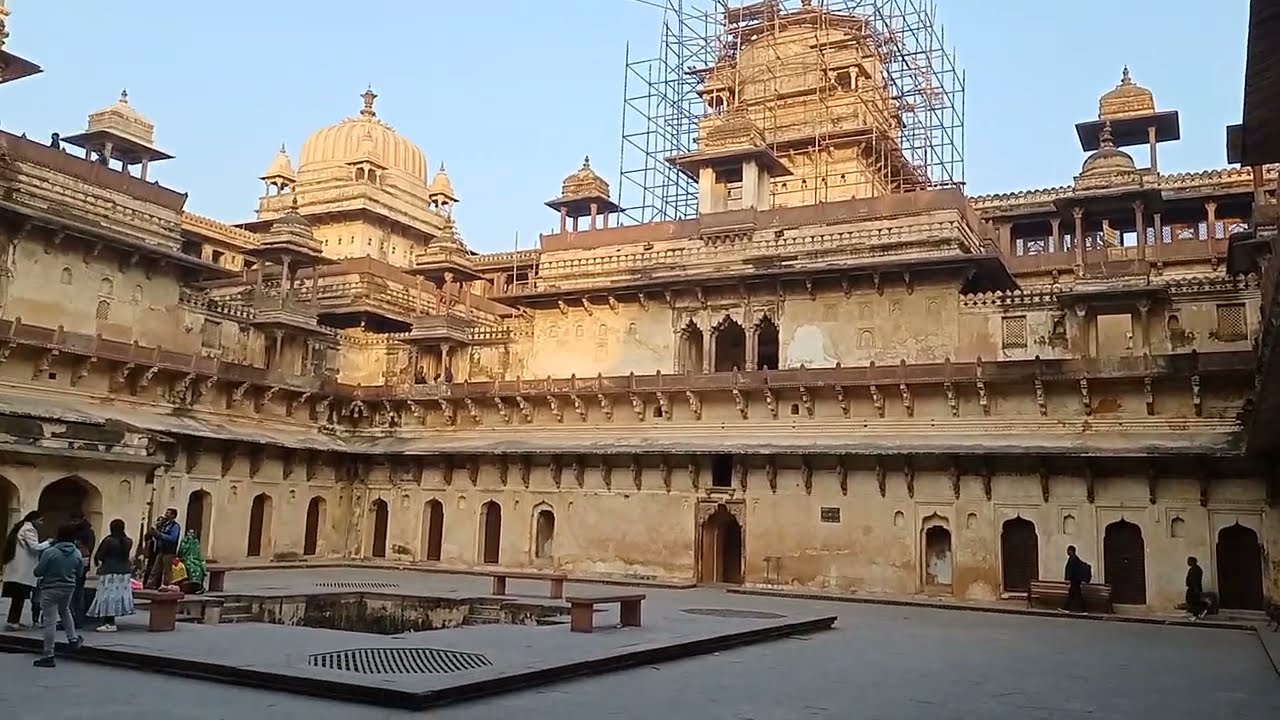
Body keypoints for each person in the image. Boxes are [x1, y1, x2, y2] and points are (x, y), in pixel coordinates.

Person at [32, 523, 84, 667]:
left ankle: (48, 655)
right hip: (68, 588)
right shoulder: (77, 553)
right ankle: (73, 639)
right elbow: (80, 572)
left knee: (50, 621)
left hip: (50, 588)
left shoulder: (50, 552)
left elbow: (38, 571)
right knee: (65, 611)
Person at [2, 511, 50, 630]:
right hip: (23, 570)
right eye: (40, 520)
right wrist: (48, 542)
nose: (41, 523)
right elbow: (35, 546)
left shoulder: (21, 527)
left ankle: (13, 620)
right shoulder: (29, 529)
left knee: (18, 597)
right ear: (33, 520)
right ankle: (13, 621)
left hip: (18, 569)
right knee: (19, 597)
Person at [86, 519, 134, 632]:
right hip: (124, 573)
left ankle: (108, 622)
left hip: (109, 572)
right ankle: (111, 621)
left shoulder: (108, 541)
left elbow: (100, 555)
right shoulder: (128, 541)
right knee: (116, 597)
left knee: (107, 597)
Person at [69, 513, 95, 626]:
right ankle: (77, 617)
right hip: (83, 564)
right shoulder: (89, 532)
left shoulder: (81, 533)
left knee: (75, 592)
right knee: (77, 591)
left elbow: (87, 549)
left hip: (78, 564)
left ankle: (75, 617)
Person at [144, 508, 180, 589]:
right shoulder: (164, 525)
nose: (166, 514)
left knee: (167, 571)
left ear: (173, 515)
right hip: (161, 550)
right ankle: (150, 585)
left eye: (168, 513)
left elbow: (173, 539)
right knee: (155, 569)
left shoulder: (175, 526)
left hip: (169, 551)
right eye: (166, 512)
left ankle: (166, 586)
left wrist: (160, 535)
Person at [1062, 545, 1089, 614]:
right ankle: (1067, 608)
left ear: (1071, 551)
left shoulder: (1073, 559)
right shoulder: (1074, 558)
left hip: (1075, 580)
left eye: (1068, 550)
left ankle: (1083, 610)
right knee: (1073, 594)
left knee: (1077, 595)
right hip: (1075, 580)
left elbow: (1071, 570)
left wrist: (1068, 579)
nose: (1067, 552)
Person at [178, 529, 206, 594]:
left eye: (192, 533)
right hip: (186, 558)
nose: (191, 534)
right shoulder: (184, 541)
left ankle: (199, 586)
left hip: (194, 559)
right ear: (187, 533)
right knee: (190, 567)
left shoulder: (196, 541)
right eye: (190, 533)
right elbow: (181, 551)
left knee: (199, 567)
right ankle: (191, 587)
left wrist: (197, 559)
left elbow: (197, 552)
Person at [1186, 556, 1205, 620]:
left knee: (1194, 602)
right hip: (1193, 588)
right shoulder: (1195, 569)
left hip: (1194, 588)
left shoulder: (1195, 569)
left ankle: (1198, 613)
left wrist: (1195, 588)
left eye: (1189, 561)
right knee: (1194, 601)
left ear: (1193, 561)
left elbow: (1195, 580)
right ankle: (1196, 614)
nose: (1187, 562)